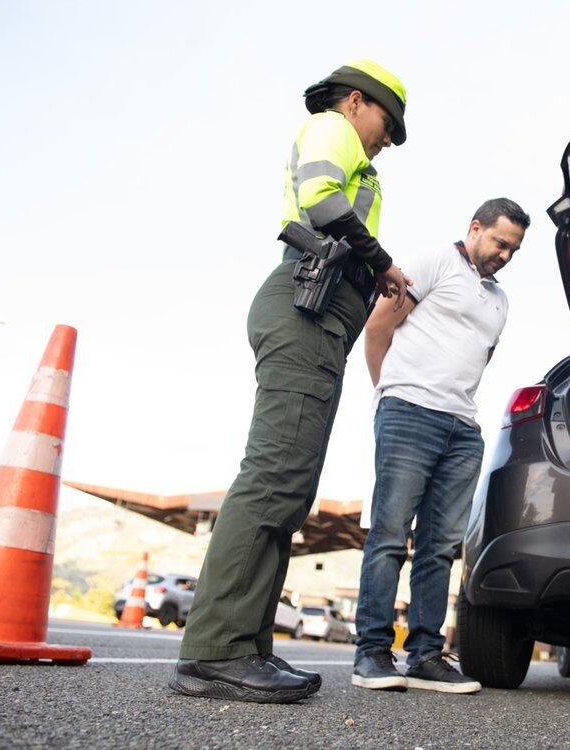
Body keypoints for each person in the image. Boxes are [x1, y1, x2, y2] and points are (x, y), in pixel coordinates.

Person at [169, 59, 413, 704]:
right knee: (274, 476)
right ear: (357, 102)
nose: (388, 141)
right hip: (307, 305)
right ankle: (217, 649)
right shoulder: (331, 127)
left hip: (324, 316)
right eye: (388, 125)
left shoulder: (357, 142)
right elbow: (322, 201)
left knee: (291, 488)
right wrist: (383, 264)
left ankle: (245, 647)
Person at [351, 199, 530, 693]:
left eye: (514, 249)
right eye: (500, 243)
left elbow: (478, 361)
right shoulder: (434, 262)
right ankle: (370, 655)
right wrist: (388, 393)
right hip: (408, 412)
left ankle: (426, 655)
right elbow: (378, 327)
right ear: (475, 228)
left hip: (462, 428)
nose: (505, 255)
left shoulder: (500, 300)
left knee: (439, 549)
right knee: (390, 535)